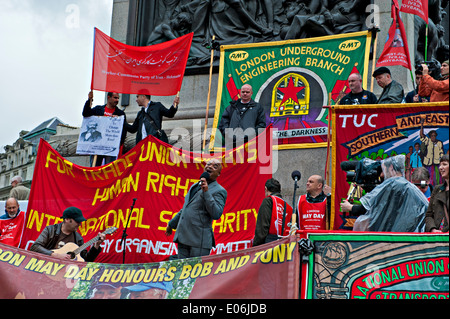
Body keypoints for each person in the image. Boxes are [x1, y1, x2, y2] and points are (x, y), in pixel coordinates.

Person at [165, 158, 227, 259]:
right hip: (183, 238)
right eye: (208, 164)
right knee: (183, 272)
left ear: (219, 173)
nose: (210, 166)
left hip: (199, 242)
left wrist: (206, 192)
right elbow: (185, 209)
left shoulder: (220, 191)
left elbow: (216, 214)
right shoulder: (195, 186)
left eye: (215, 166)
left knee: (196, 274)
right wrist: (171, 224)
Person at [353, 155, 429, 232]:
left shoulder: (393, 184)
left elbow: (370, 207)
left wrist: (351, 208)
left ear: (391, 167)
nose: (381, 175)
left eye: (383, 170)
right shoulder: (405, 185)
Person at [30, 207, 105, 261]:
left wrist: (96, 246)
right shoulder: (50, 230)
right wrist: (55, 255)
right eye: (77, 221)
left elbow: (85, 260)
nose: (80, 224)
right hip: (46, 268)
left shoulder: (78, 238)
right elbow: (35, 247)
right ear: (67, 219)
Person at [83, 91, 128, 166]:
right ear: (108, 97)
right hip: (97, 147)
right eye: (115, 98)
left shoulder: (120, 113)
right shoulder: (98, 109)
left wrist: (118, 143)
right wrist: (89, 100)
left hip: (110, 148)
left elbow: (123, 131)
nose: (117, 100)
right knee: (94, 169)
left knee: (109, 170)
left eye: (118, 98)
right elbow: (85, 113)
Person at [252, 178, 293, 246]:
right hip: (285, 246)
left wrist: (256, 246)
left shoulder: (268, 201)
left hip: (270, 245)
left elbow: (262, 227)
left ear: (266, 189)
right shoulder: (288, 207)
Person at [425, 154, 449, 233]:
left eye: (444, 164)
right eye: (440, 165)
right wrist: (433, 229)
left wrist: (443, 232)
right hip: (437, 239)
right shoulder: (437, 189)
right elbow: (429, 215)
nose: (440, 167)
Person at [420, 118, 444, 186]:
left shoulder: (439, 143)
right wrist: (421, 125)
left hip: (436, 163)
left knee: (437, 178)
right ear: (430, 136)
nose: (433, 137)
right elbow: (422, 135)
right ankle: (424, 189)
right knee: (426, 176)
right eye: (432, 136)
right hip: (428, 163)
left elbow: (441, 153)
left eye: (434, 135)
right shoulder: (428, 141)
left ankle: (437, 189)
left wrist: (441, 161)